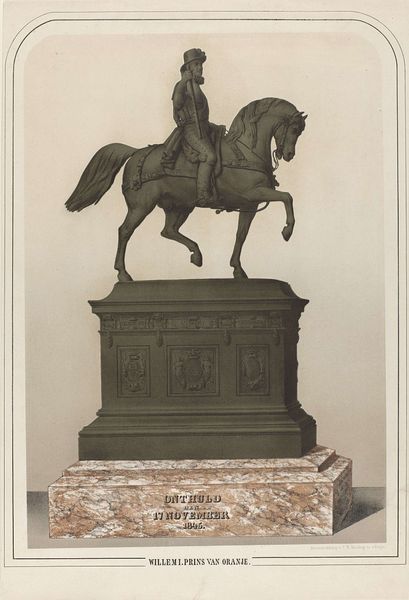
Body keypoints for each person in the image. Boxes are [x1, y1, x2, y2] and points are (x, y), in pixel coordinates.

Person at [171, 48, 216, 207]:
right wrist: (183, 82)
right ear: (188, 67)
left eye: (200, 64)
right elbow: (177, 104)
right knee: (210, 156)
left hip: (203, 128)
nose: (200, 67)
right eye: (196, 64)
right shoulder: (183, 85)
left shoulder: (196, 85)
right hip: (191, 130)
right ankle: (202, 195)